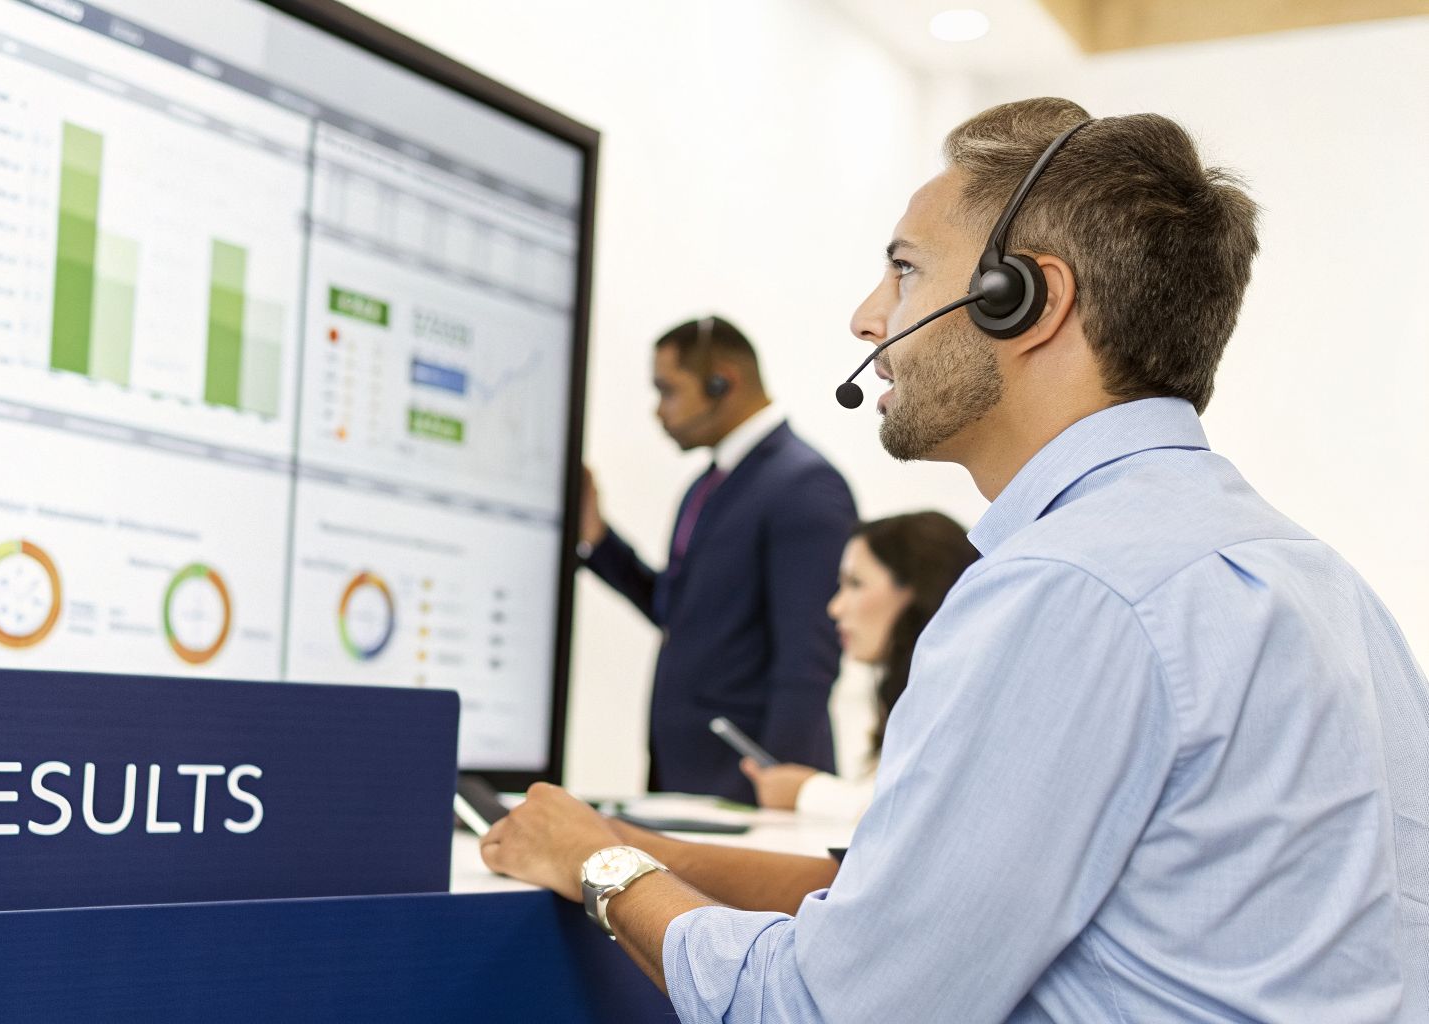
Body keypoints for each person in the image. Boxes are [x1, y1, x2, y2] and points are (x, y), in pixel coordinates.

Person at [482, 97, 1428, 1021]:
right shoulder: (1317, 577)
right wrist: (637, 843)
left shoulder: (1065, 588)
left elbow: (819, 1008)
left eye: (903, 270)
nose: (866, 319)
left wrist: (601, 867)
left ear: (1024, 300)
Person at [579, 316, 857, 803]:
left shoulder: (805, 485)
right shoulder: (710, 485)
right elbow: (679, 613)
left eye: (667, 390)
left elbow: (808, 661)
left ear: (721, 382)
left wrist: (780, 788)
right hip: (689, 782)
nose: (658, 411)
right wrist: (597, 538)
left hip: (749, 790)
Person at [741, 511, 979, 820]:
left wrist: (807, 792)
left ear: (919, 589)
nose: (835, 607)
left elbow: (911, 811)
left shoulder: (959, 695)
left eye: (855, 584)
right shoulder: (903, 690)